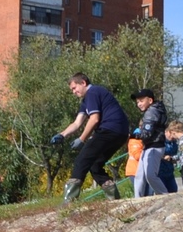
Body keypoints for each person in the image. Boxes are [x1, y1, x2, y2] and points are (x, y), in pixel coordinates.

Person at [52, 72, 131, 202]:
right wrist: (62, 134)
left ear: (83, 83)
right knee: (95, 165)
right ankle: (114, 199)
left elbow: (94, 119)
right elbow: (77, 123)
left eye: (74, 88)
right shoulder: (86, 101)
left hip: (109, 130)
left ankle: (69, 202)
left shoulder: (93, 92)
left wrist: (81, 139)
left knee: (81, 161)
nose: (73, 92)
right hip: (120, 134)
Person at [130, 89, 169, 197]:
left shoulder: (151, 111)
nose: (139, 104)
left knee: (150, 175)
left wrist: (133, 136)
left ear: (150, 100)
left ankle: (164, 195)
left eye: (141, 101)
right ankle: (137, 199)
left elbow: (147, 132)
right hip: (149, 146)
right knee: (140, 175)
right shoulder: (155, 110)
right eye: (137, 102)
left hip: (154, 147)